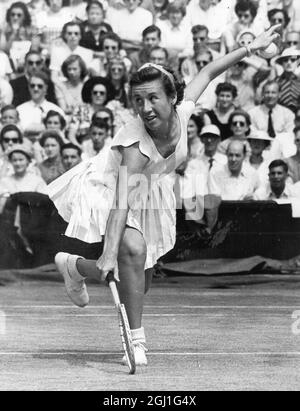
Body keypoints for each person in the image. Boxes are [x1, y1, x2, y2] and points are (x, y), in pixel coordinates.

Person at [49, 25, 281, 366]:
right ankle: (137, 340)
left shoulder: (183, 110)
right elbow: (119, 204)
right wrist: (109, 251)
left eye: (153, 97)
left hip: (150, 191)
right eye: (138, 100)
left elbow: (208, 70)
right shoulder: (135, 146)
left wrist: (252, 48)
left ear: (173, 98)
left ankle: (73, 267)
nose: (144, 107)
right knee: (130, 250)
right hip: (109, 188)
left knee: (138, 286)